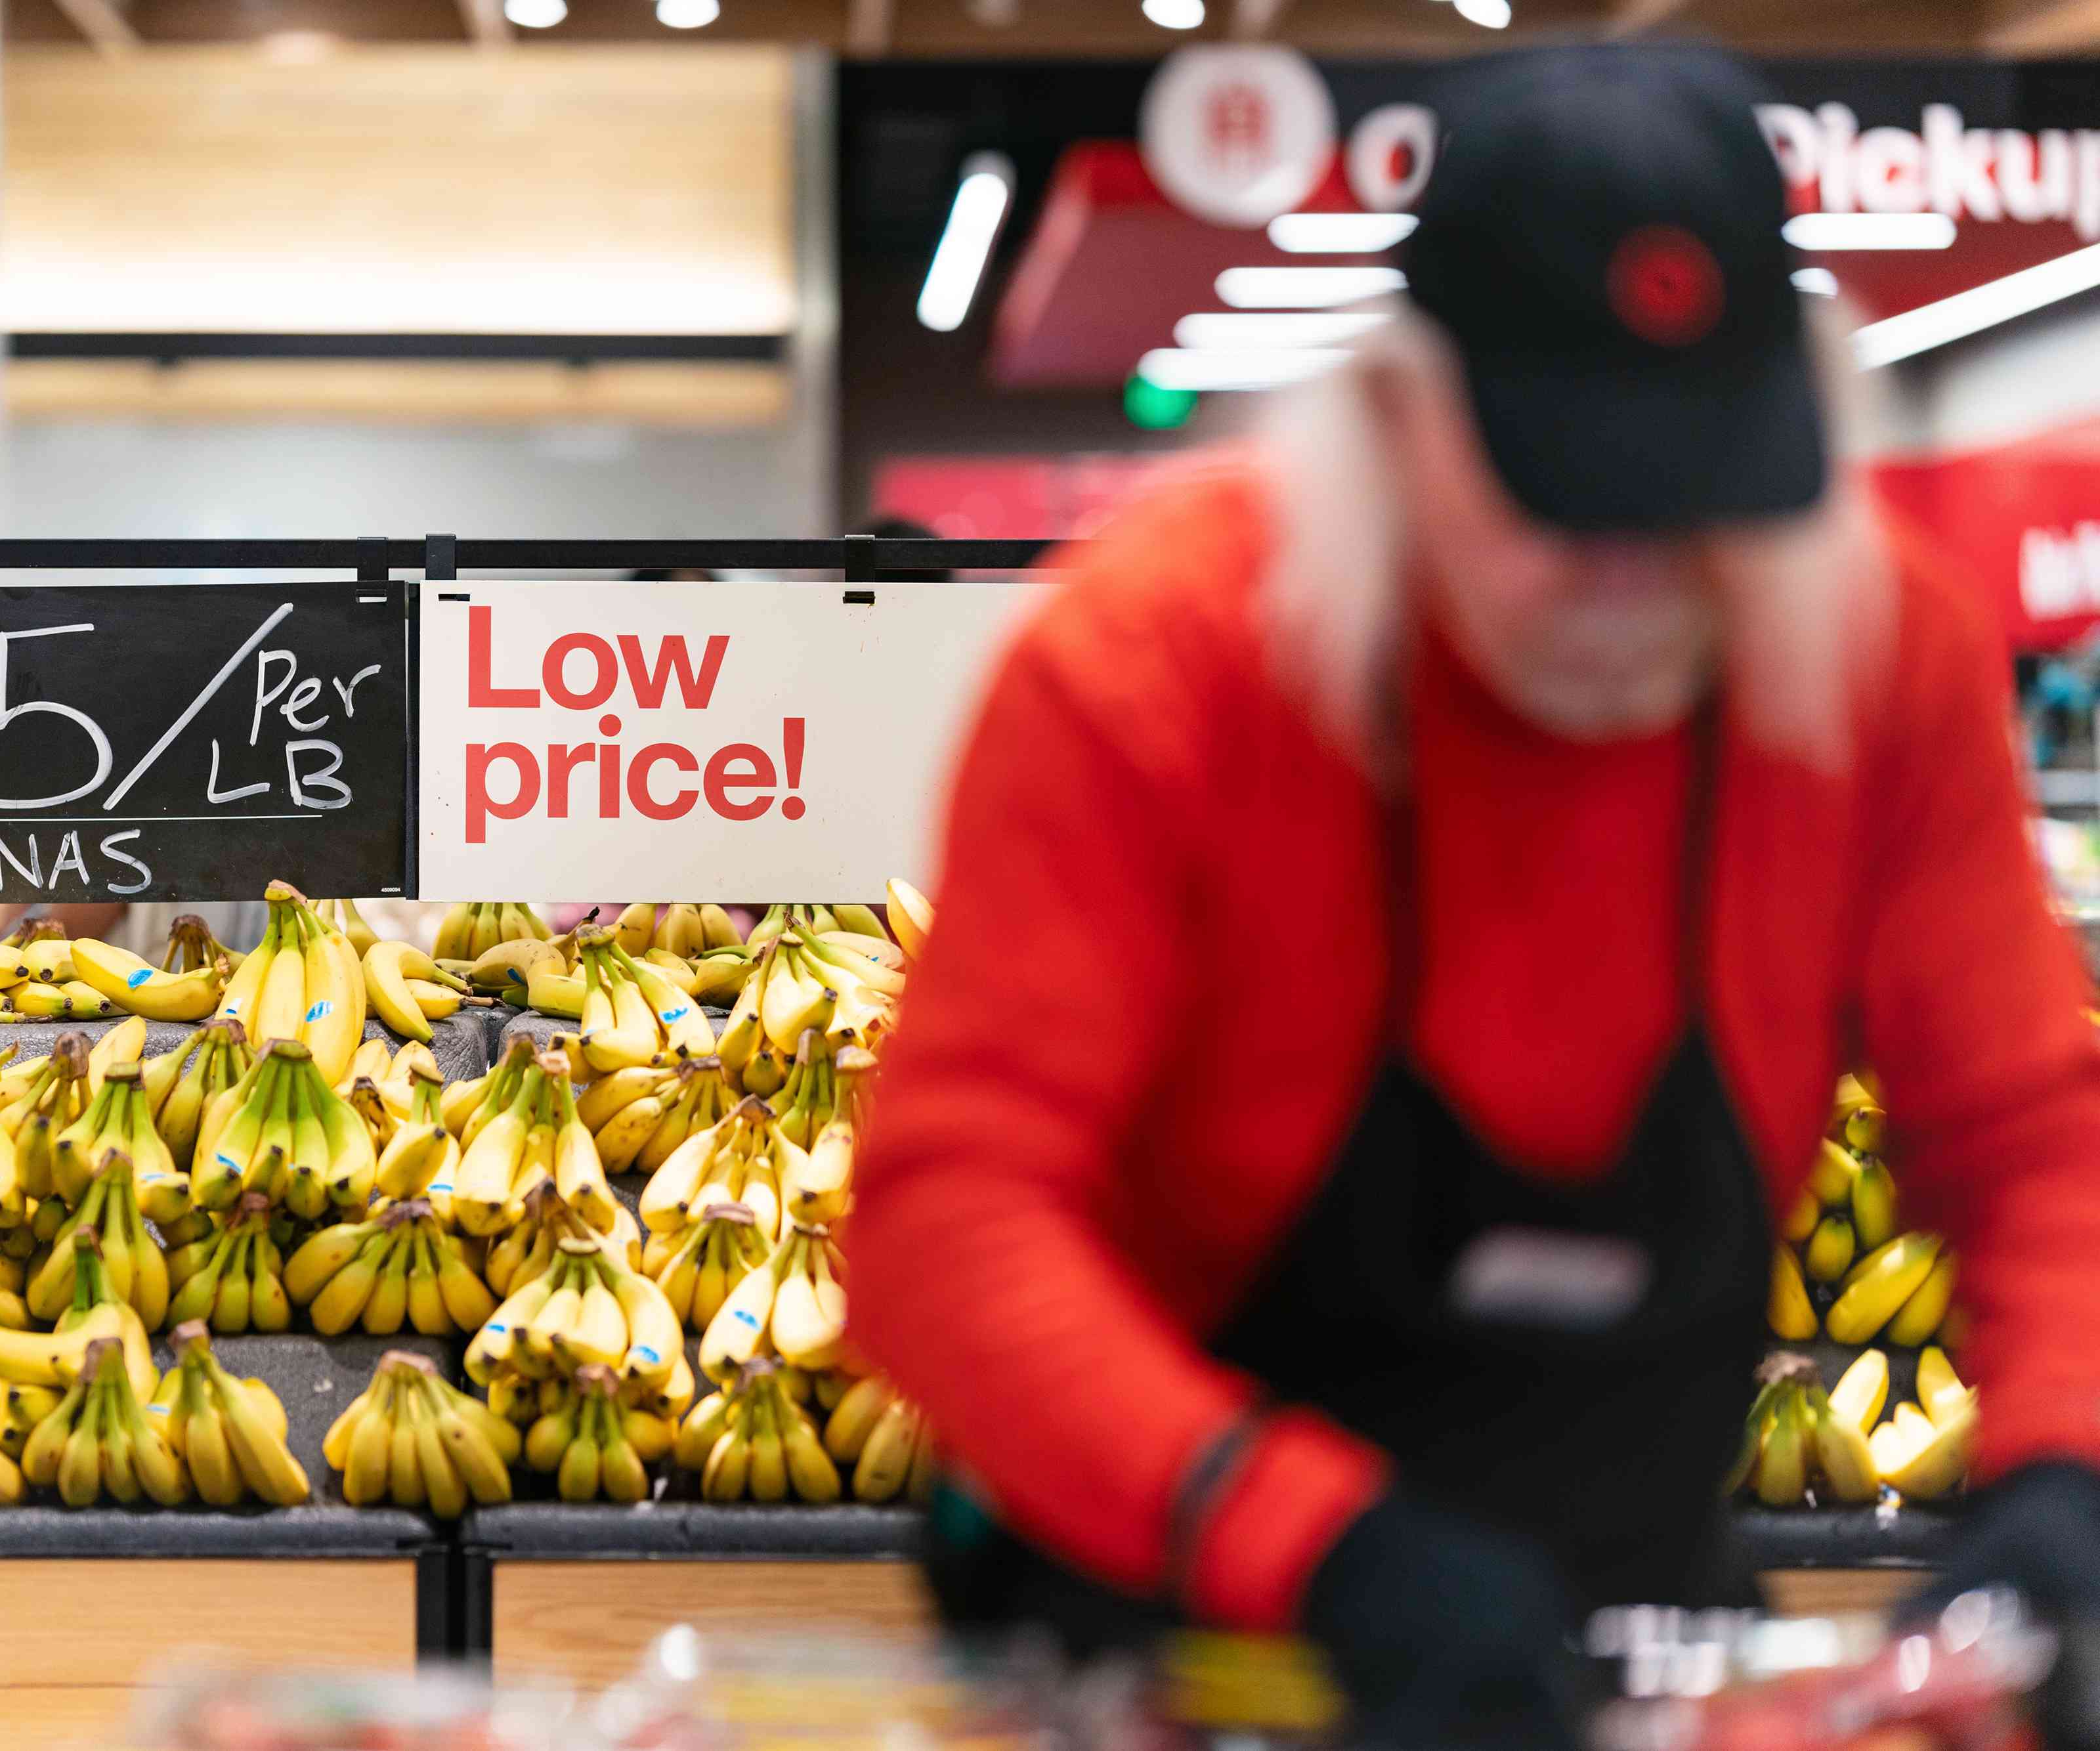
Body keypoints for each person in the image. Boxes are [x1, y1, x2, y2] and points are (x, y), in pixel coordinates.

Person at [844, 43, 2100, 1750]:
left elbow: (2032, 1137)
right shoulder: (1154, 671)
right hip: (1166, 1601)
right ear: (1392, 414)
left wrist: (2059, 1482)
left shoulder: (1877, 661)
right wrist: (1320, 1542)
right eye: (1560, 495)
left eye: (1696, 504)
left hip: (1613, 1603)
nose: (1628, 581)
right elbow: (948, 1219)